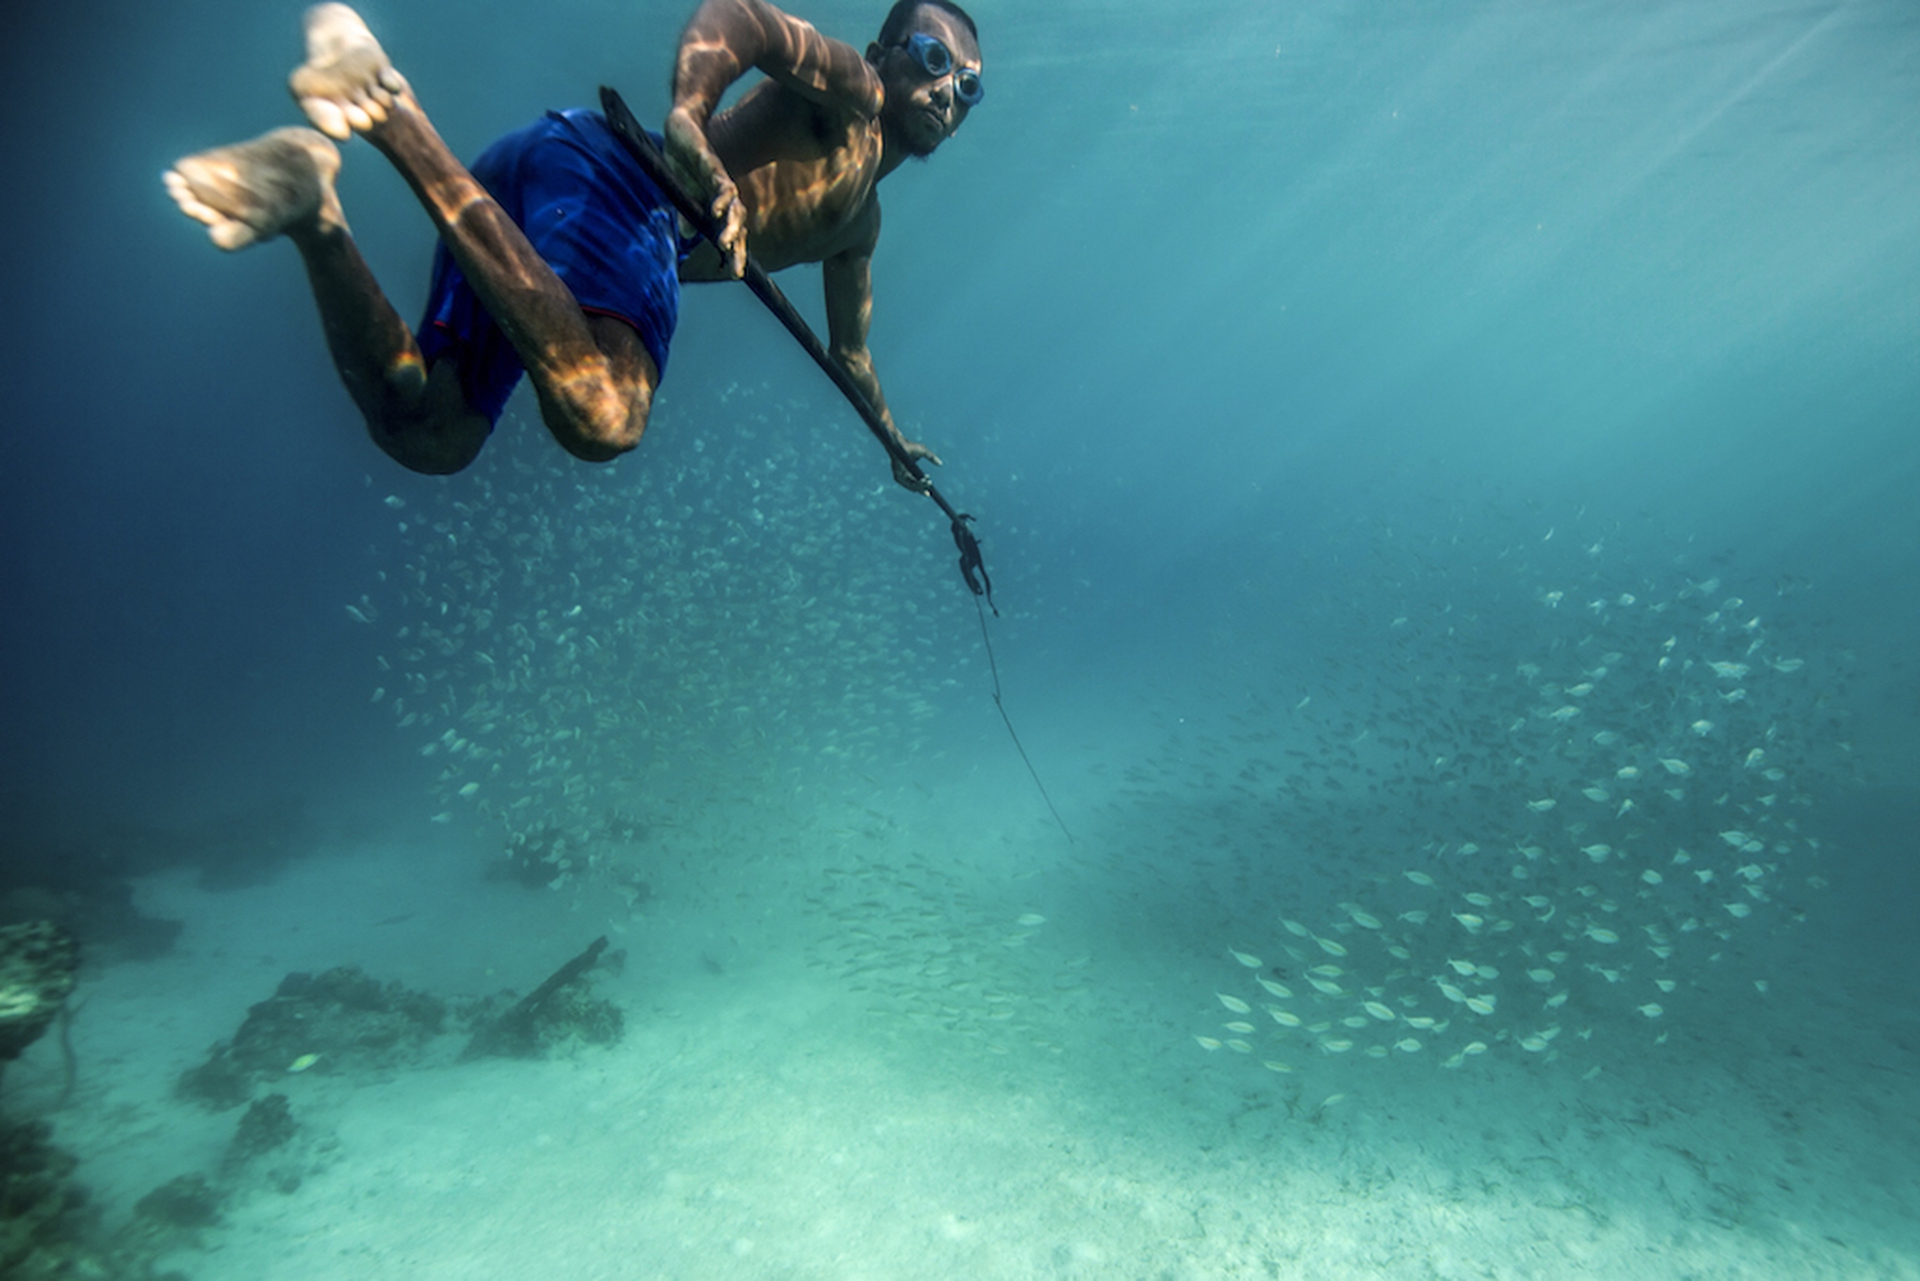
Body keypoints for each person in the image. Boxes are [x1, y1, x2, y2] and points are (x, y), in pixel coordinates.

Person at [163, 0, 981, 491]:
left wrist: (890, 440)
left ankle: (312, 208)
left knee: (431, 434)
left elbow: (852, 352)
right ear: (884, 55)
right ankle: (386, 114)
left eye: (968, 85)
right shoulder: (856, 90)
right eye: (934, 57)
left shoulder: (860, 228)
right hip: (620, 185)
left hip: (552, 193)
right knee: (605, 408)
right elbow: (744, 20)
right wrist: (691, 118)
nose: (948, 88)